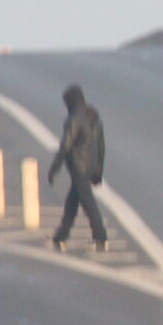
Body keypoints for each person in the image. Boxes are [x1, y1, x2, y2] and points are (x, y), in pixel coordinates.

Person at [47, 83, 108, 252]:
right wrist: (98, 171)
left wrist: (54, 168)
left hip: (78, 165)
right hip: (91, 165)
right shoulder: (93, 117)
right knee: (72, 202)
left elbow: (66, 145)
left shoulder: (74, 118)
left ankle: (100, 236)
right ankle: (61, 236)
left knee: (87, 202)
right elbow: (101, 146)